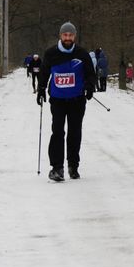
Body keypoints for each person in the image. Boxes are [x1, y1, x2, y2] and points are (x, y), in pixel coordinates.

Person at [37, 22, 96, 181]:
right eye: (65, 35)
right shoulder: (51, 53)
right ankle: (57, 168)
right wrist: (41, 89)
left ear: (74, 36)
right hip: (57, 99)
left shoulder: (81, 53)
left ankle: (73, 166)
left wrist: (90, 86)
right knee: (57, 131)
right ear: (60, 36)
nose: (68, 38)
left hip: (77, 99)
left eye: (70, 35)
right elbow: (44, 72)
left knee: (74, 132)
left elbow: (91, 73)